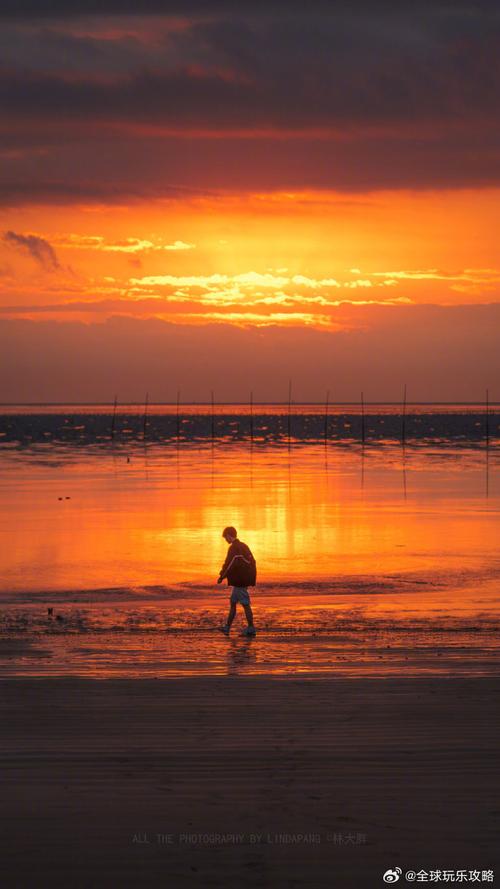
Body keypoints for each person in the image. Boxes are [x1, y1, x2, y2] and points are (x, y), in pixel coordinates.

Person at [217, 526, 256, 636]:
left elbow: (229, 564)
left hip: (240, 581)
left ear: (229, 536)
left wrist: (222, 576)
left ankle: (251, 628)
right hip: (244, 579)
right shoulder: (244, 546)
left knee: (245, 604)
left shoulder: (234, 548)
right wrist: (251, 579)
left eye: (226, 538)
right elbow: (253, 563)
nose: (226, 540)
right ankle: (227, 627)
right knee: (233, 603)